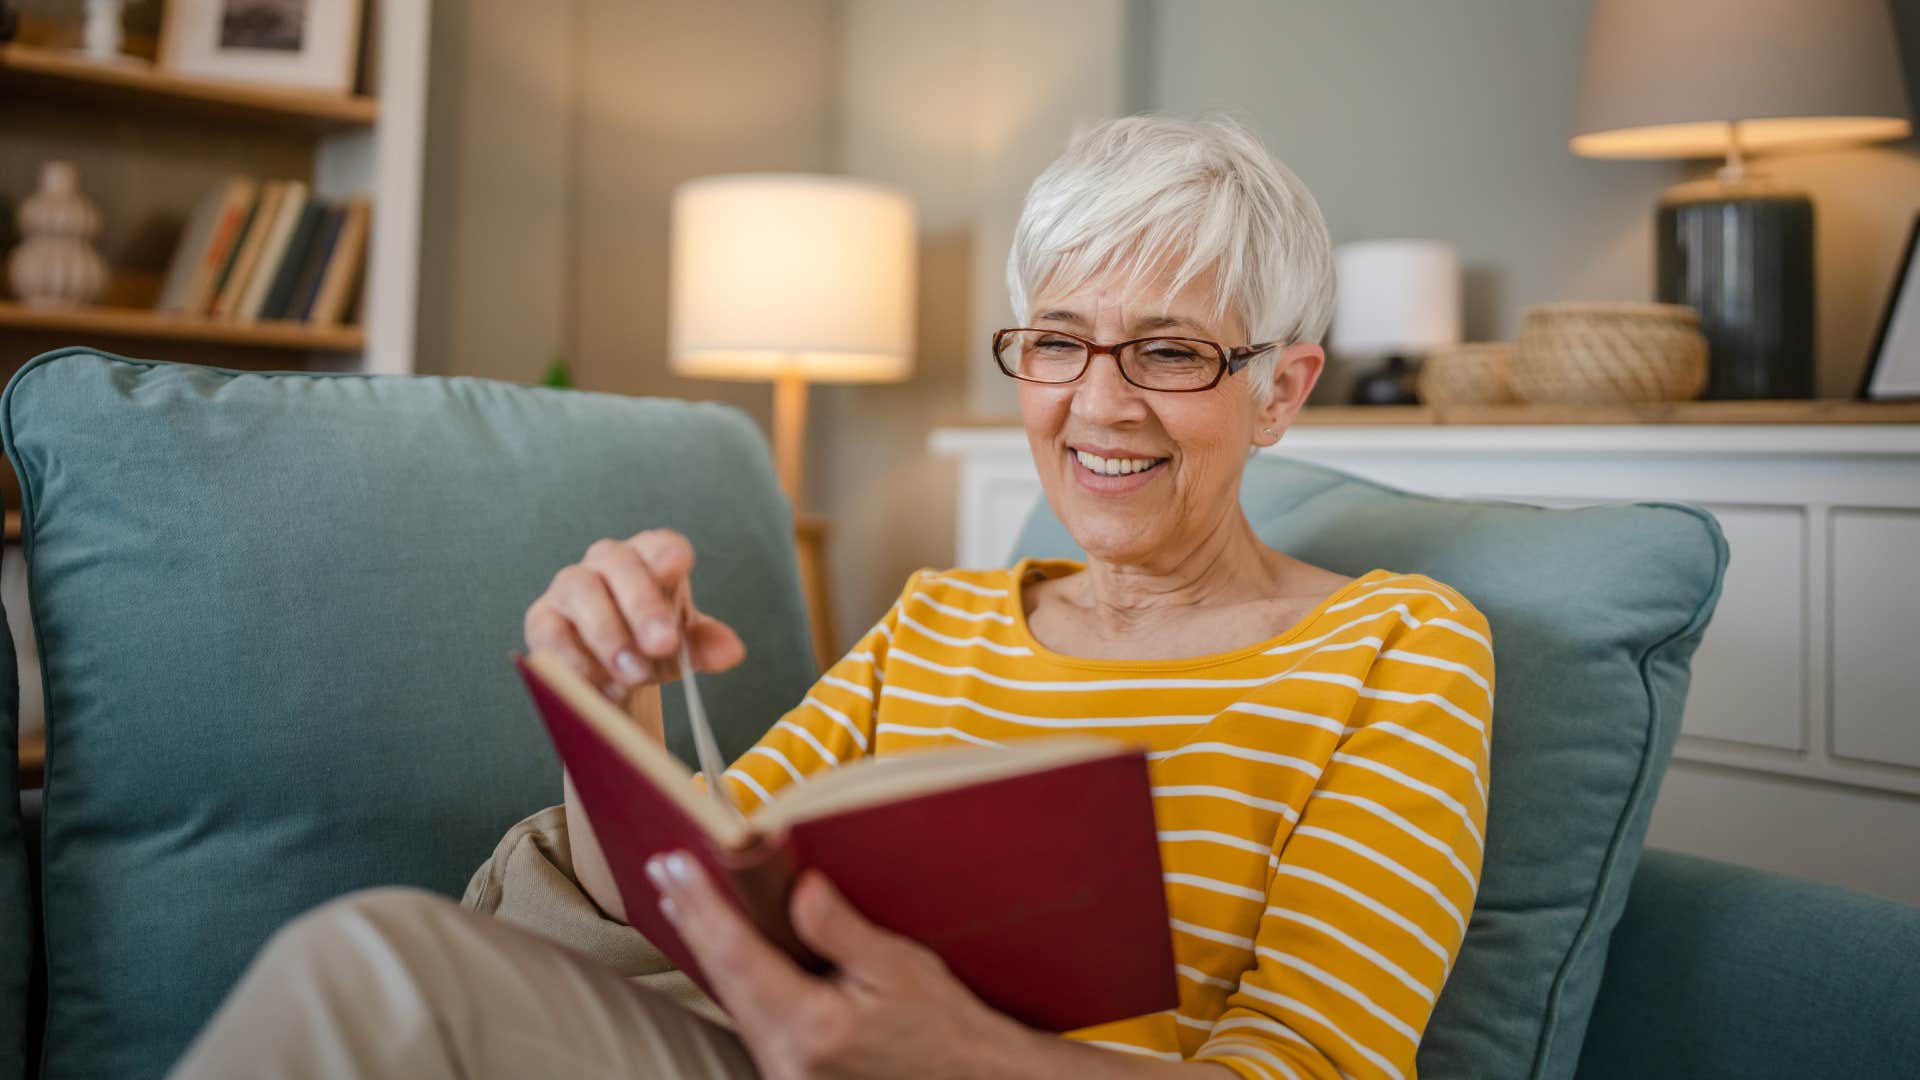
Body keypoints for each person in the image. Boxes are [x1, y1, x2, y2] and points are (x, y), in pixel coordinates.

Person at [170, 115, 1493, 1080]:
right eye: (1057, 343)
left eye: (1168, 350)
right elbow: (698, 887)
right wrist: (614, 715)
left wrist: (961, 1053)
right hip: (747, 1056)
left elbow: (1313, 1067)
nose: (1099, 401)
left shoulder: (1399, 650)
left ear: (1283, 389)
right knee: (380, 959)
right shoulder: (935, 622)